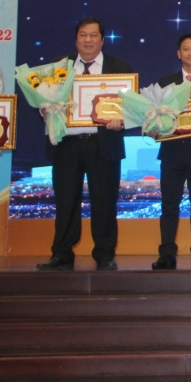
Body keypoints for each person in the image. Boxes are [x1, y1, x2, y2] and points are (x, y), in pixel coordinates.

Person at [37, 18, 133, 271]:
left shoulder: (118, 67)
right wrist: (45, 110)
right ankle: (61, 254)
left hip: (104, 143)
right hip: (66, 144)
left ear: (102, 40)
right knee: (65, 200)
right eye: (83, 35)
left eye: (93, 35)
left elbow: (132, 106)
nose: (88, 40)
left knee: (105, 201)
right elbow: (44, 100)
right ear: (76, 39)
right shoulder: (60, 67)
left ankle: (104, 254)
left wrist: (122, 119)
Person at [151, 34, 191, 271]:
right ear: (179, 53)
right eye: (186, 49)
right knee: (169, 205)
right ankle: (166, 255)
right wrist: (154, 128)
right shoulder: (165, 82)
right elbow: (155, 116)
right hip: (171, 153)